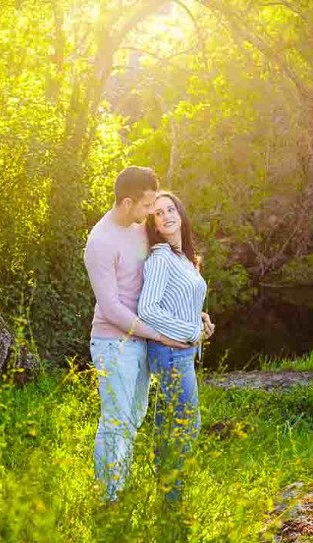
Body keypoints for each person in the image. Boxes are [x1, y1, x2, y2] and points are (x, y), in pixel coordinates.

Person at [83, 167, 190, 502]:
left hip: (142, 336)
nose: (151, 213)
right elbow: (112, 308)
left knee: (134, 416)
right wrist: (161, 335)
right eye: (146, 206)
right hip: (113, 341)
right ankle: (109, 498)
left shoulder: (138, 226)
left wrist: (194, 313)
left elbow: (164, 273)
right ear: (127, 202)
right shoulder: (100, 242)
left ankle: (120, 485)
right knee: (116, 420)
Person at [137, 191, 214, 502]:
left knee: (168, 424)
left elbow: (179, 301)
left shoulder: (182, 257)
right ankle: (173, 501)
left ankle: (166, 494)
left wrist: (201, 317)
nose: (167, 215)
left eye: (171, 209)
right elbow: (149, 310)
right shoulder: (160, 258)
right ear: (154, 224)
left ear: (180, 213)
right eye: (158, 213)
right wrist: (193, 331)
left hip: (179, 353)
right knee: (186, 425)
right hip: (170, 354)